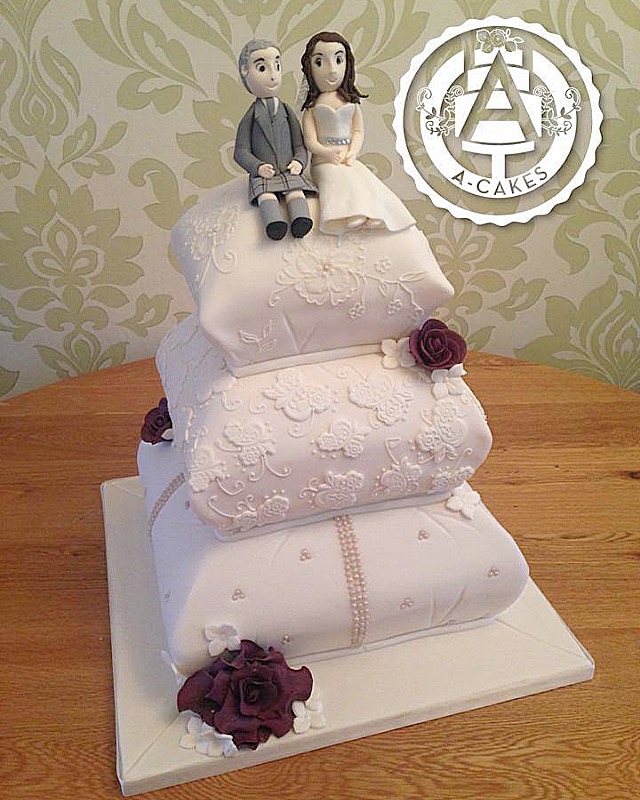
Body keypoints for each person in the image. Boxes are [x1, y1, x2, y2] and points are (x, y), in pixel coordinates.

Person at [301, 31, 415, 236]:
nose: (332, 70)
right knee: (336, 179)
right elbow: (310, 141)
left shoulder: (351, 103)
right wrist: (326, 152)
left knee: (362, 179)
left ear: (347, 64)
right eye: (320, 62)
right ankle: (343, 216)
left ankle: (371, 214)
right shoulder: (311, 108)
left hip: (347, 157)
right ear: (310, 67)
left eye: (338, 60)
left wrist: (353, 152)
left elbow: (358, 131)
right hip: (323, 162)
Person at [235, 39, 317, 240]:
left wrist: (299, 162)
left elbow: (299, 144)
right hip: (265, 175)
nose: (272, 75)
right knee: (266, 196)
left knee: (296, 192)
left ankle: (301, 221)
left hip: (288, 170)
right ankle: (274, 224)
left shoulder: (287, 111)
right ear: (246, 71)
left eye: (277, 66)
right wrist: (258, 167)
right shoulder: (250, 117)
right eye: (262, 68)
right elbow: (240, 152)